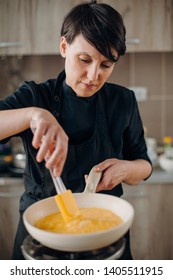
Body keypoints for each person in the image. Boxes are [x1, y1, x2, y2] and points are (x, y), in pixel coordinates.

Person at [0, 0, 152, 260]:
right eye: (85, 59)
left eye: (106, 65)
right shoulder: (36, 96)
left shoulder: (123, 101)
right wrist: (33, 115)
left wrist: (126, 169)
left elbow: (144, 165)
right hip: (40, 238)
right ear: (63, 47)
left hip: (105, 237)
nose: (93, 75)